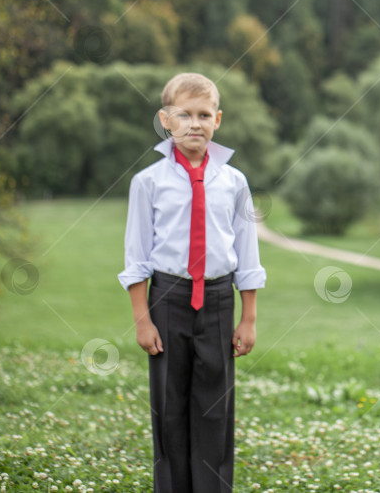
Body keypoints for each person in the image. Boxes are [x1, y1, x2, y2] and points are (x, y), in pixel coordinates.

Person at [118, 72, 266, 493]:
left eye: (204, 115)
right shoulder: (147, 182)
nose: (194, 124)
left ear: (218, 119)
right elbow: (137, 257)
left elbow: (248, 253)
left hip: (219, 301)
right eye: (184, 115)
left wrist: (248, 318)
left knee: (214, 409)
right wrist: (142, 319)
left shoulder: (234, 182)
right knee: (169, 408)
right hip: (167, 300)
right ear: (166, 120)